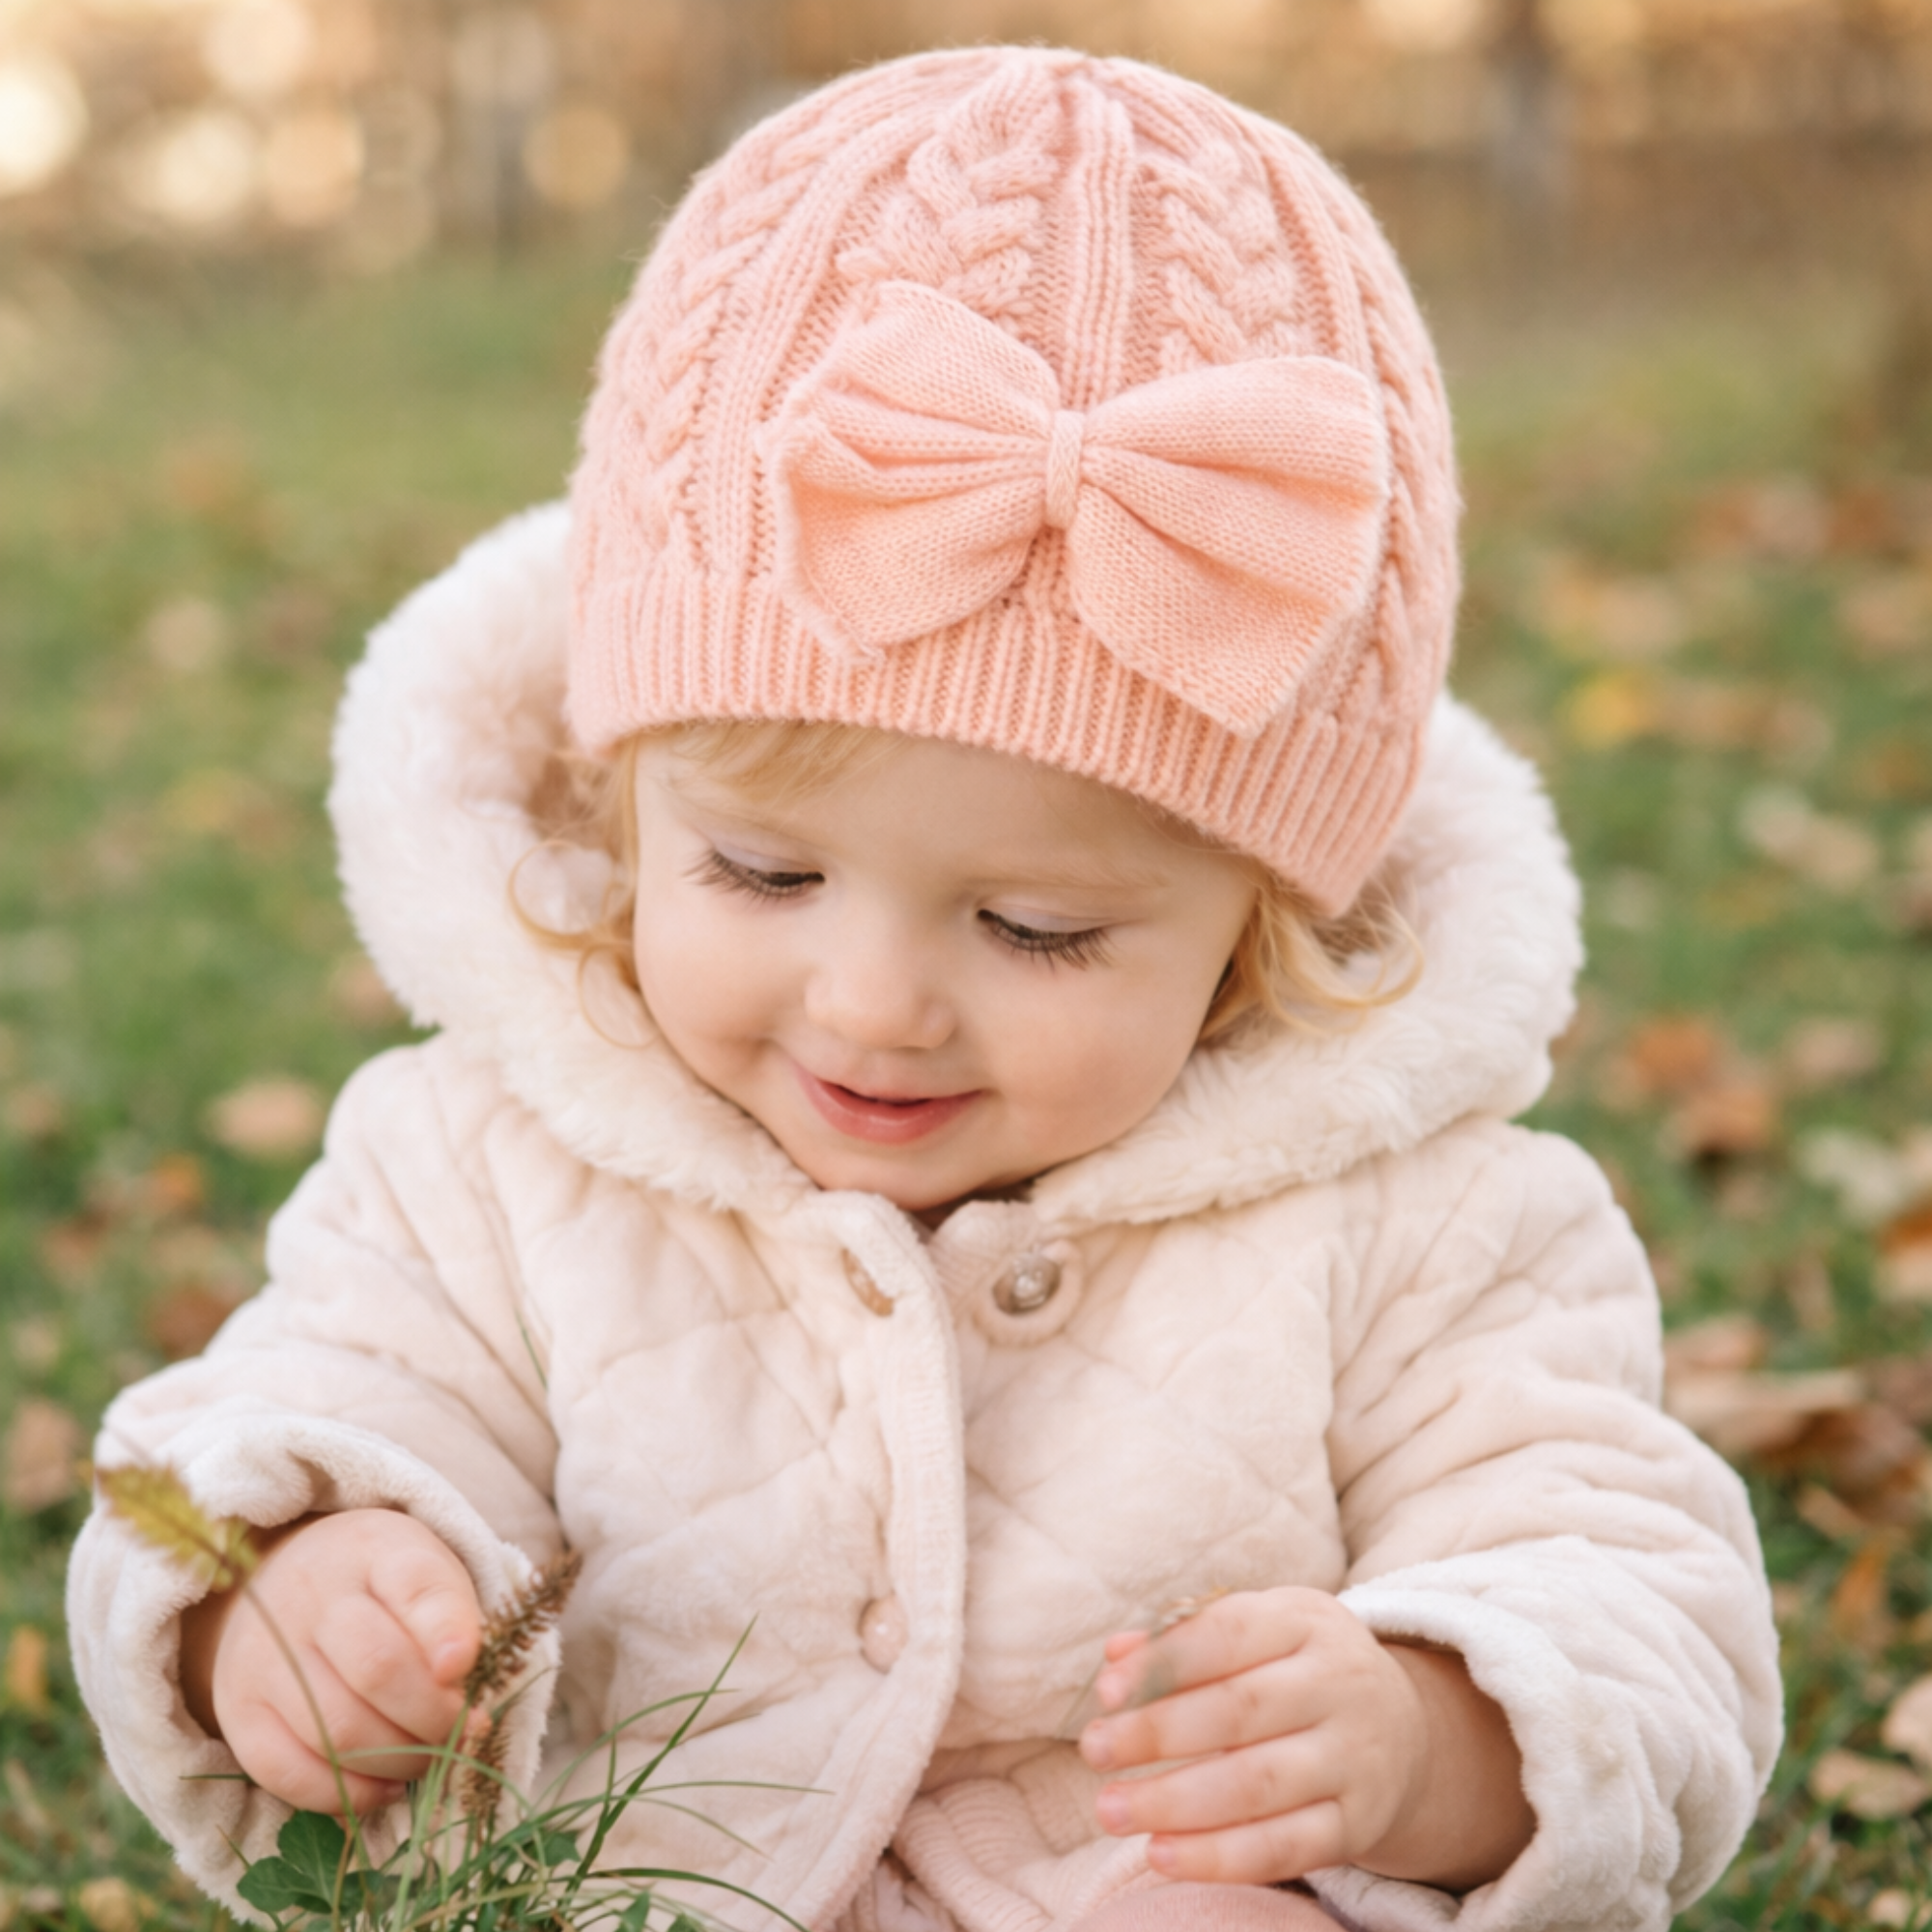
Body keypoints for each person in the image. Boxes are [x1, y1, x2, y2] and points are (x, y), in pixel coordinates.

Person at [69, 45, 1780, 1932]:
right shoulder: (483, 1155)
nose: (871, 1001)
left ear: (1263, 922)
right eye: (759, 872)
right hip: (641, 1883)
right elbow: (287, 1407)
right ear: (619, 805)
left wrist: (1427, 1729)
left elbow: (1631, 1583)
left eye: (1038, 928)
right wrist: (292, 1588)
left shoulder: (1431, 1218)